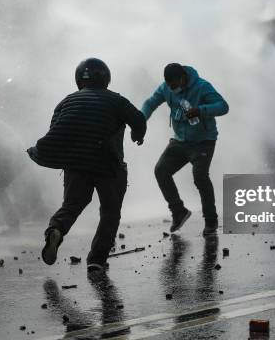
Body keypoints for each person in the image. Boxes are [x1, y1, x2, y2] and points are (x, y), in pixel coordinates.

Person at [28, 58, 146, 272]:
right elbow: (138, 118)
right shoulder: (116, 100)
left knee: (72, 205)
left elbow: (55, 131)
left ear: (78, 80)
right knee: (110, 211)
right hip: (108, 165)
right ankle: (96, 259)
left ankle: (56, 230)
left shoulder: (67, 101)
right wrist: (138, 135)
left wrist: (40, 153)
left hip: (76, 165)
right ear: (106, 79)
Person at [141, 63, 229, 236]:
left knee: (200, 177)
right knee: (161, 170)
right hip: (180, 141)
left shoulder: (202, 87)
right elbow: (150, 103)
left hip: (203, 141)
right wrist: (139, 120)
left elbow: (223, 106)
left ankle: (211, 221)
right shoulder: (166, 88)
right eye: (169, 86)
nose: (173, 90)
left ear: (182, 78)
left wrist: (201, 110)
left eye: (175, 85)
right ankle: (178, 211)